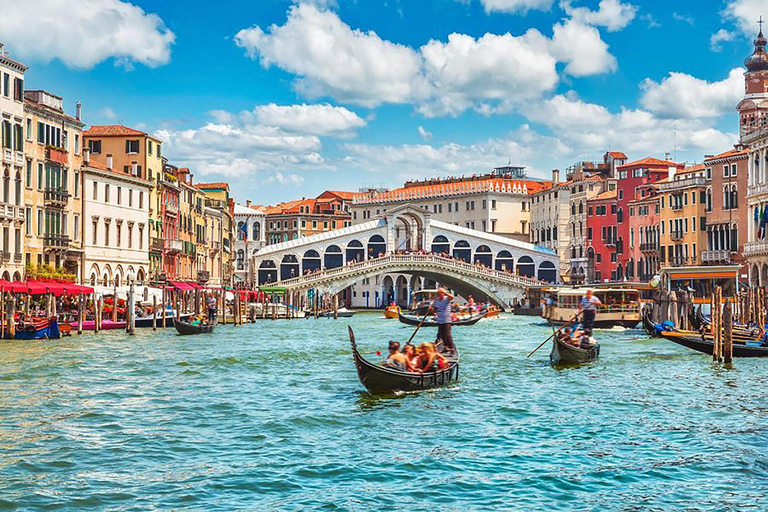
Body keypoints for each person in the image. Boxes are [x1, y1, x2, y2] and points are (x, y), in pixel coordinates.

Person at [431, 287, 455, 355]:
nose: (438, 294)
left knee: (447, 335)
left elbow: (452, 297)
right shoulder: (436, 301)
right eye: (438, 293)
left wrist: (445, 292)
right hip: (440, 320)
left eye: (439, 293)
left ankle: (451, 349)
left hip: (446, 320)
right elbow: (435, 311)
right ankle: (445, 347)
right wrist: (431, 310)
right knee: (442, 335)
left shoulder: (446, 299)